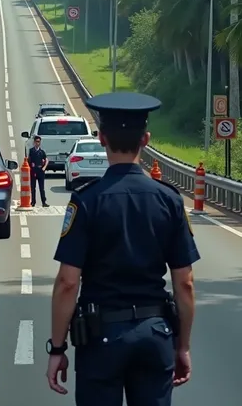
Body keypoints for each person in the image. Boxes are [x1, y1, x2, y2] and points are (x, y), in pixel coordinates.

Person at [46, 92, 200, 406]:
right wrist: (182, 345)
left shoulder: (87, 201)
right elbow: (184, 282)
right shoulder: (169, 199)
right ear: (146, 139)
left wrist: (58, 349)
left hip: (101, 337)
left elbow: (67, 283)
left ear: (102, 138)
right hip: (155, 334)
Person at [28, 134, 49, 207]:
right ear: (34, 142)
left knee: (41, 188)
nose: (38, 143)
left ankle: (44, 202)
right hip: (33, 171)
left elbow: (46, 160)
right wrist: (31, 165)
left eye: (39, 142)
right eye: (36, 141)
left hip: (40, 171)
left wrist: (44, 167)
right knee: (33, 188)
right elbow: (29, 160)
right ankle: (33, 202)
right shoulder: (31, 151)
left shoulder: (42, 152)